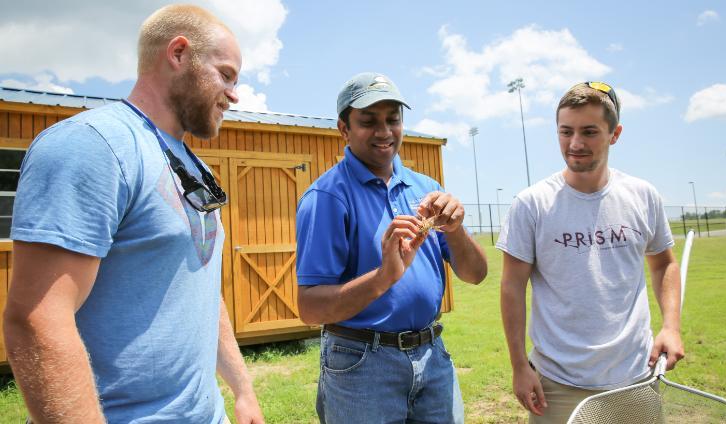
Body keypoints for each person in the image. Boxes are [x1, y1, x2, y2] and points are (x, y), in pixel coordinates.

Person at [3, 5, 264, 423]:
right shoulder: (92, 146)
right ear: (179, 53)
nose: (234, 93)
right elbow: (37, 322)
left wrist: (242, 388)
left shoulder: (195, 167)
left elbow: (197, 281)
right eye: (226, 74)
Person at [294, 72, 488, 423]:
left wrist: (456, 230)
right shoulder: (327, 197)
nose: (384, 132)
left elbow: (476, 274)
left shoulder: (424, 188)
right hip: (362, 364)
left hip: (432, 356)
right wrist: (383, 277)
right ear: (344, 128)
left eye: (393, 120)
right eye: (368, 121)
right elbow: (310, 309)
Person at [497, 81, 685, 423]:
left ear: (615, 134)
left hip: (637, 377)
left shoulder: (643, 195)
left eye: (589, 132)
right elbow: (511, 287)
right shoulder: (532, 204)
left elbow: (663, 264)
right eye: (565, 131)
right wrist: (518, 365)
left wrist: (671, 326)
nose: (575, 144)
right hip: (558, 384)